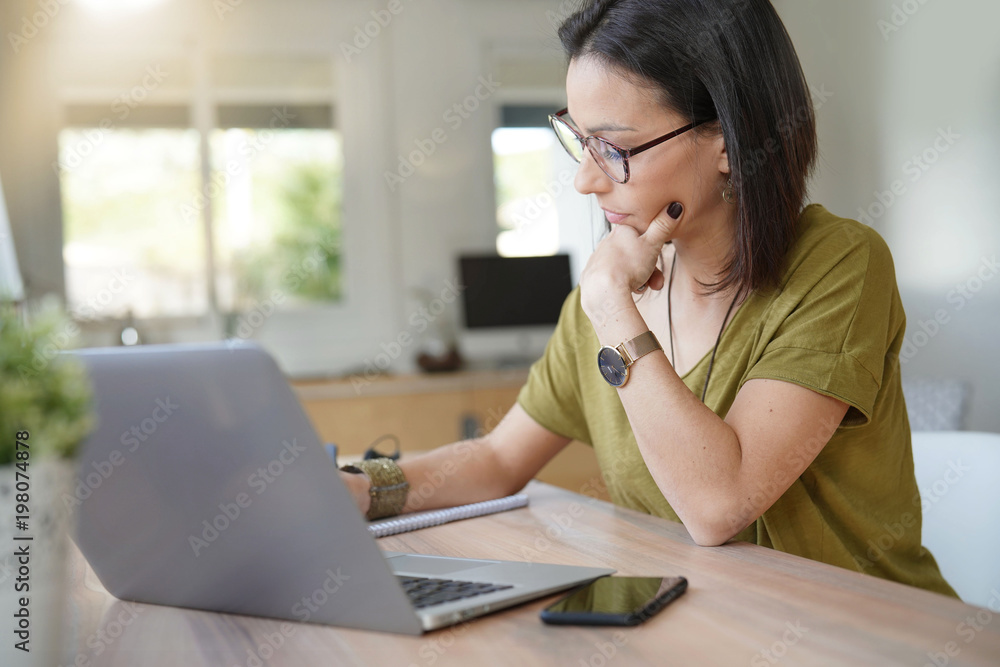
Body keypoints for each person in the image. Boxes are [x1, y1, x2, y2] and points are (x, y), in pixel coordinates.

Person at [341, 0, 957, 598]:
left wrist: (613, 310)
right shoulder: (606, 297)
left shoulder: (840, 265)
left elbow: (717, 506)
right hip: (705, 628)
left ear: (725, 140)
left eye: (614, 148)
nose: (585, 178)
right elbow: (498, 460)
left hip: (866, 638)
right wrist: (359, 488)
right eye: (578, 140)